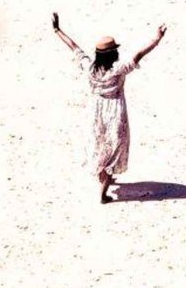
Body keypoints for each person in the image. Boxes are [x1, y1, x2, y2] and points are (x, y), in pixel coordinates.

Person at [51, 12, 167, 203]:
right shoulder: (117, 70)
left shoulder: (89, 68)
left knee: (100, 145)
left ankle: (103, 177)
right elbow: (138, 55)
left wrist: (57, 30)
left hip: (96, 113)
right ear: (113, 53)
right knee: (115, 149)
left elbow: (74, 47)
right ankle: (103, 194)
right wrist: (157, 39)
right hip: (115, 113)